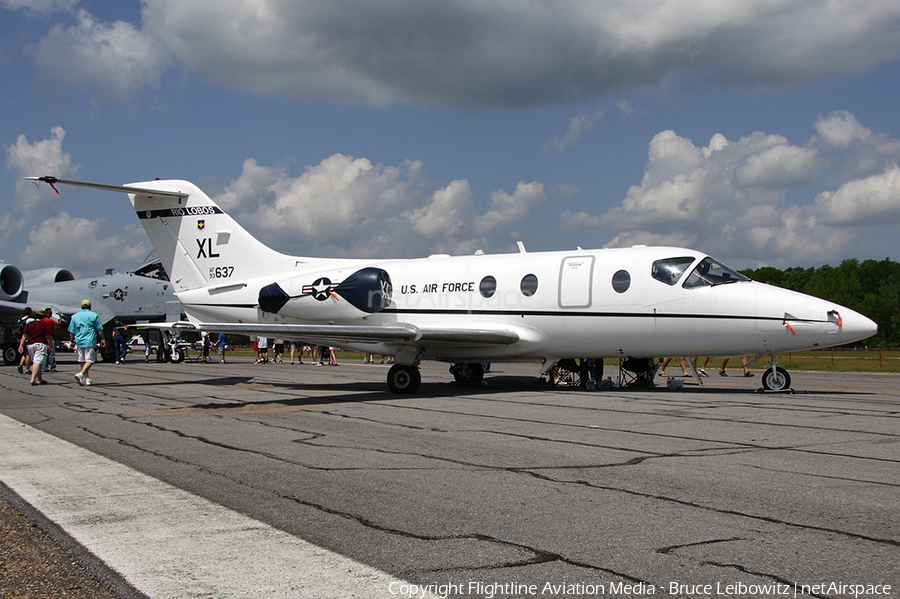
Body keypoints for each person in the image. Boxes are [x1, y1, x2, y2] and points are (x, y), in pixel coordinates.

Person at [68, 299, 105, 386]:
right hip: (90, 340)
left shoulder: (74, 316)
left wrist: (71, 341)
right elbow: (99, 329)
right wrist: (102, 339)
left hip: (79, 340)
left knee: (82, 360)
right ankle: (81, 374)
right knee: (90, 360)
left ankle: (86, 379)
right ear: (90, 306)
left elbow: (71, 331)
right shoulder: (94, 315)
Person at [20, 309, 54, 385]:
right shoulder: (44, 324)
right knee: (37, 362)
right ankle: (32, 379)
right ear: (43, 317)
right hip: (41, 344)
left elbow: (25, 335)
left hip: (30, 344)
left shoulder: (29, 324)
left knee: (37, 362)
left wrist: (21, 345)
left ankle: (40, 379)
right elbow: (48, 337)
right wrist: (50, 347)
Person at [15, 307, 33, 375]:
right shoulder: (30, 320)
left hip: (22, 338)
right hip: (28, 338)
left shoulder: (20, 320)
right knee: (28, 354)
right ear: (30, 312)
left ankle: (20, 364)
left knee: (24, 354)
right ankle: (27, 369)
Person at [42, 308, 59, 373]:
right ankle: (52, 367)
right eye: (50, 313)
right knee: (51, 354)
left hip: (44, 338)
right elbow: (59, 324)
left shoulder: (43, 320)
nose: (51, 314)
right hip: (50, 338)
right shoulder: (49, 320)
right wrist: (60, 317)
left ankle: (44, 367)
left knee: (45, 354)